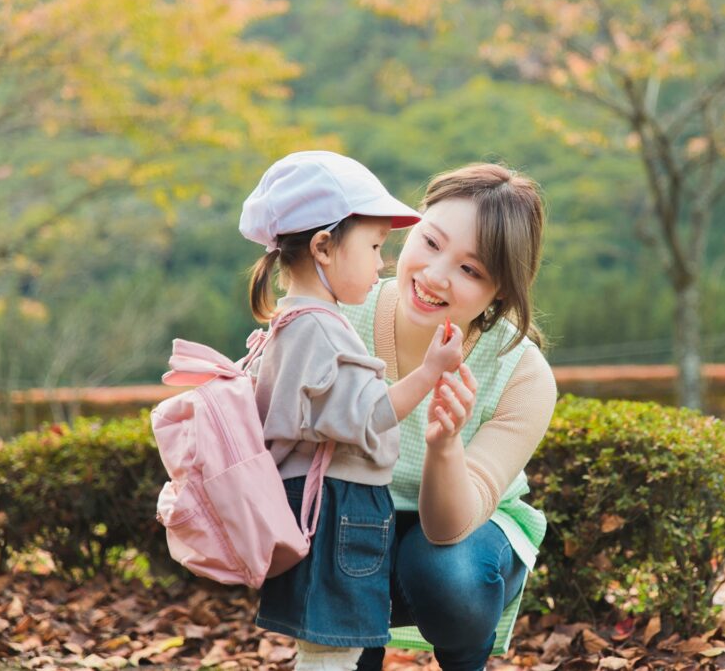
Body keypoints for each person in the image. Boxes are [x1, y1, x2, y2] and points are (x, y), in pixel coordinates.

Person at [238, 151, 471, 671]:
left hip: (313, 503)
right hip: (339, 507)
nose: (382, 262)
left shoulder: (290, 322)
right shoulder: (320, 328)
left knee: (324, 648)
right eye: (373, 246)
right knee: (335, 652)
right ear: (323, 246)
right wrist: (432, 370)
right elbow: (371, 416)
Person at [340, 163, 557, 671]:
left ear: (501, 290)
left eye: (471, 270)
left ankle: (466, 660)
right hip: (351, 522)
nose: (435, 276)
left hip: (463, 534)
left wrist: (445, 446)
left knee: (445, 572)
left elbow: (447, 528)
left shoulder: (521, 373)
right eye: (432, 243)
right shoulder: (338, 314)